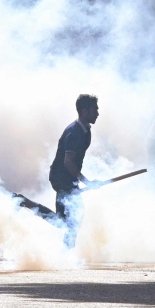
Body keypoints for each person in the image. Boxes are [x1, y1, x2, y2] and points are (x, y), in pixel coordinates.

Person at [48, 94, 99, 247]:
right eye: (94, 109)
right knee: (71, 217)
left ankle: (67, 253)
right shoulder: (74, 132)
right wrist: (87, 182)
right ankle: (67, 253)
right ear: (84, 111)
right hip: (61, 177)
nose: (97, 113)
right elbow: (68, 162)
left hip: (68, 178)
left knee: (65, 220)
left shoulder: (85, 130)